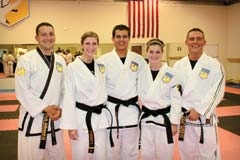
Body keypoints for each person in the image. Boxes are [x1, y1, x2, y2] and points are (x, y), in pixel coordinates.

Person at [15, 22, 66, 160]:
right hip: (34, 120)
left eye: (51, 34)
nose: (48, 38)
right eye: (43, 34)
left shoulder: (61, 60)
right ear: (36, 38)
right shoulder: (26, 60)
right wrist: (45, 108)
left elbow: (64, 89)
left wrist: (60, 108)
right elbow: (22, 90)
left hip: (55, 120)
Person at [173, 28, 225, 160]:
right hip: (184, 119)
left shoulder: (214, 65)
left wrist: (200, 110)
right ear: (186, 42)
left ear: (204, 42)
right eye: (191, 39)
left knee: (207, 155)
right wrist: (174, 118)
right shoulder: (178, 65)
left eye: (198, 39)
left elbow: (217, 91)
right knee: (186, 154)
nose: (195, 42)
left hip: (204, 119)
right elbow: (174, 92)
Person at [99, 24, 147, 160]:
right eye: (118, 36)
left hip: (131, 111)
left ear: (129, 38)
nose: (122, 39)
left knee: (131, 150)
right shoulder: (103, 60)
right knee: (111, 149)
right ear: (113, 39)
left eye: (125, 36)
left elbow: (145, 85)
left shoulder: (139, 60)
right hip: (111, 111)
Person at [60, 31, 111, 160]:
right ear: (82, 45)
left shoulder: (101, 66)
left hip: (100, 119)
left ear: (98, 45)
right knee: (81, 155)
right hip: (81, 119)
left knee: (101, 155)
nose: (91, 47)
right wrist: (71, 126)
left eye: (94, 43)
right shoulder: (72, 67)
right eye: (87, 43)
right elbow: (69, 97)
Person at [138, 39, 182, 160]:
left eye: (158, 52)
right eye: (151, 51)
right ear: (146, 52)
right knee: (147, 154)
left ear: (162, 53)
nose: (154, 55)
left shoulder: (172, 73)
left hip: (164, 119)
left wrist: (174, 122)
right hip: (146, 119)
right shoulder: (141, 71)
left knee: (165, 154)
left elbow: (176, 101)